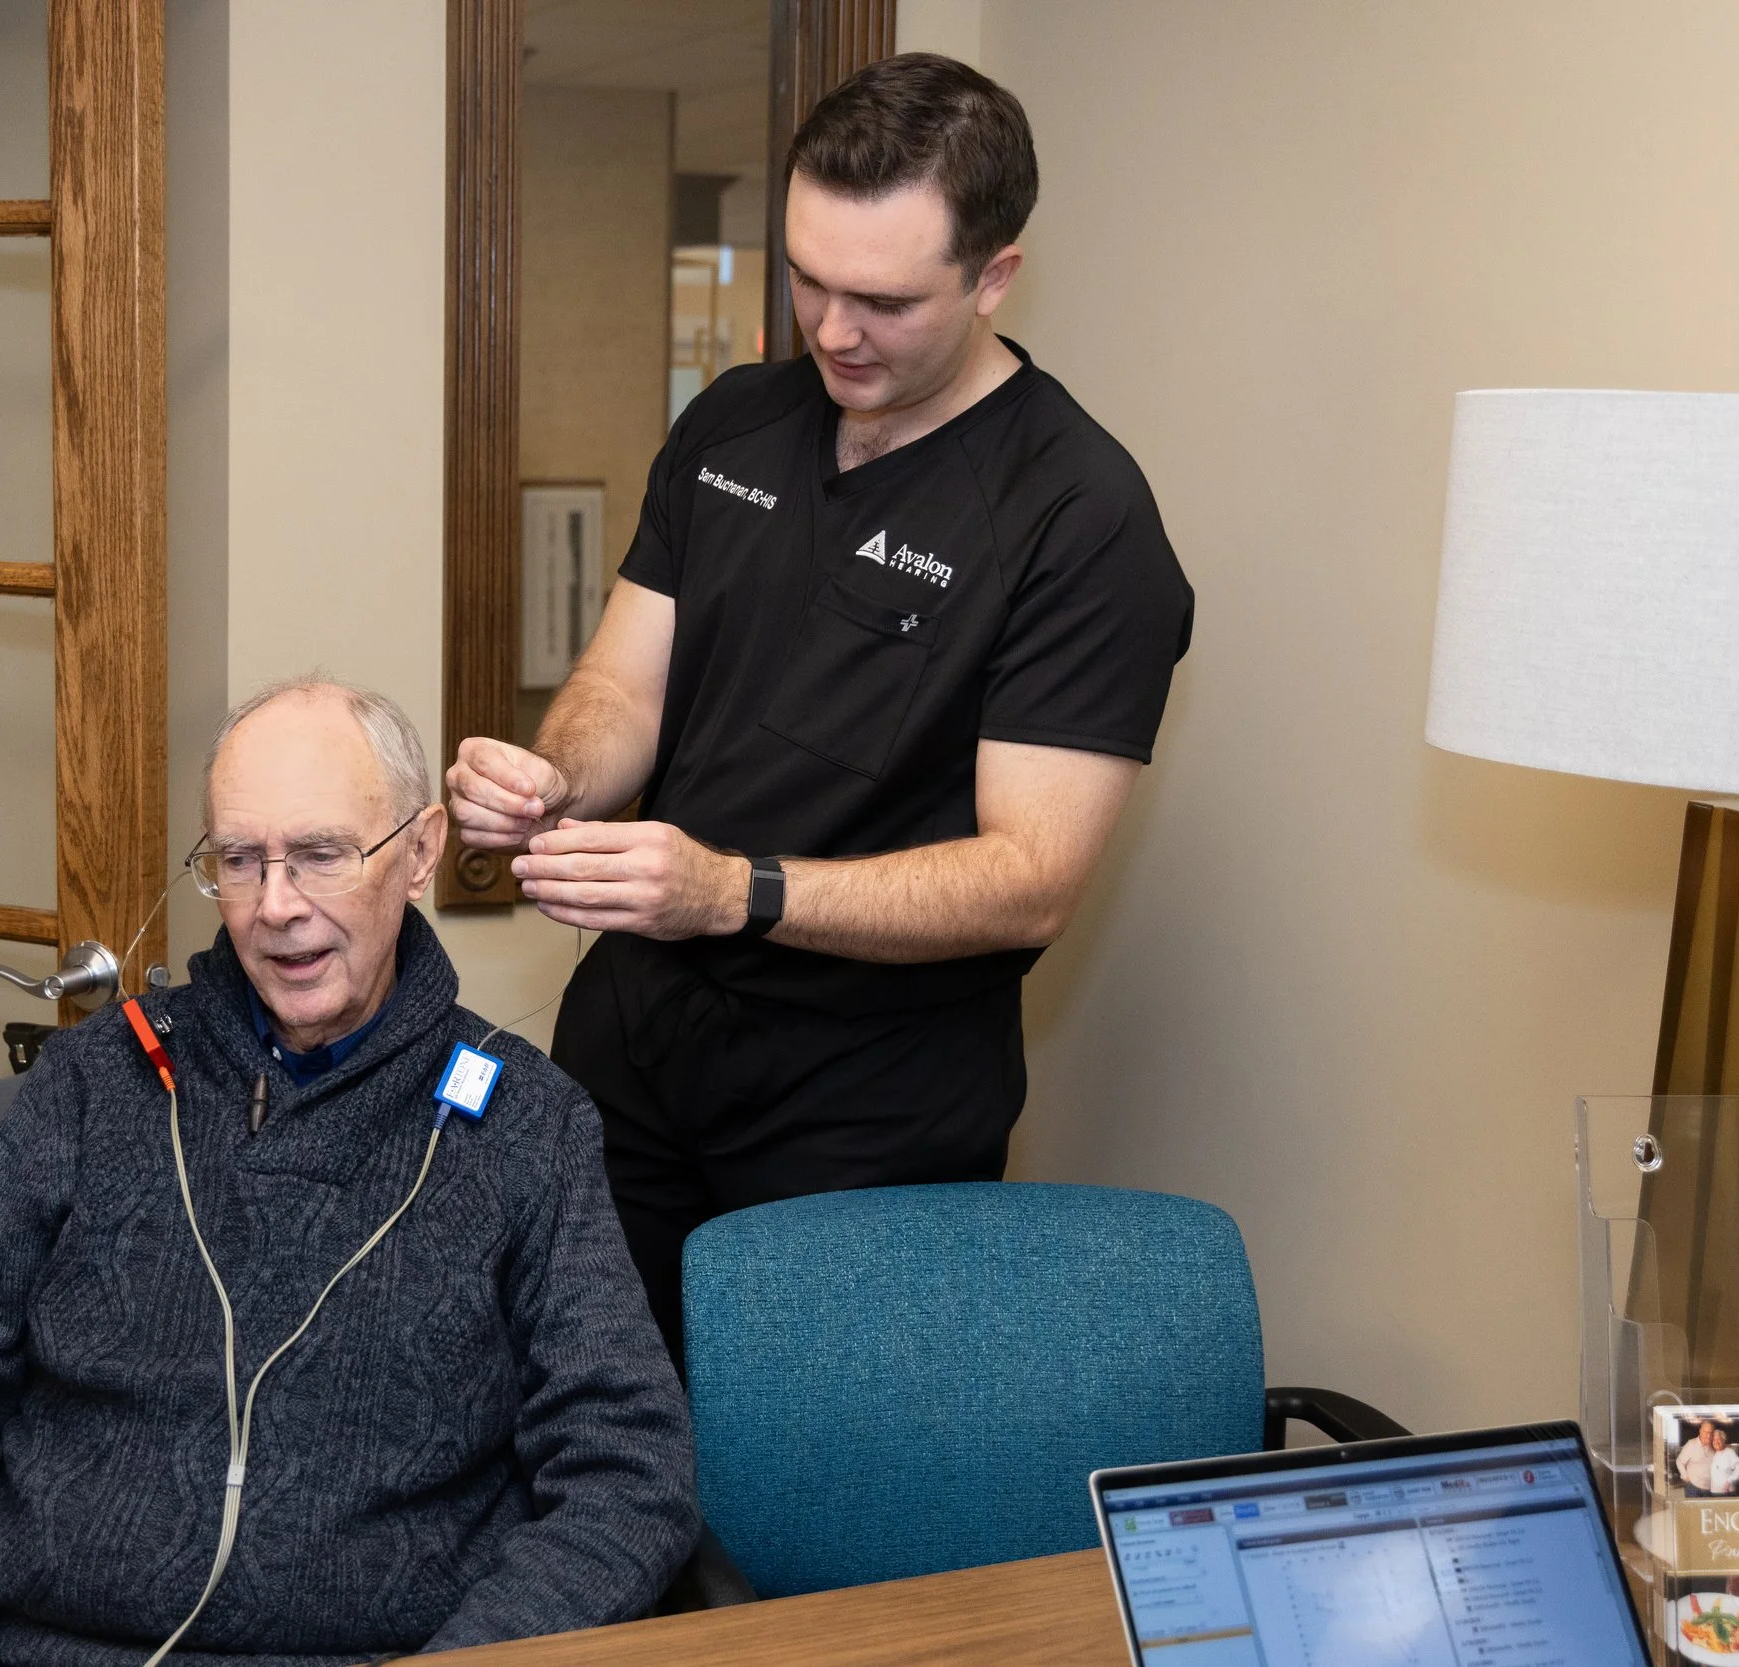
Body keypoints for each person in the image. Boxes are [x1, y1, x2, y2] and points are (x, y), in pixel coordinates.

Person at [448, 54, 1195, 1360]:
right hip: (636, 1051)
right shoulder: (738, 417)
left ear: (995, 274)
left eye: (884, 299)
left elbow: (1031, 880)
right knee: (589, 1424)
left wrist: (734, 891)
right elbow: (626, 682)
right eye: (807, 278)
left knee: (801, 1492)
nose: (832, 331)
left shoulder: (1079, 518)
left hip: (861, 1114)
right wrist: (556, 774)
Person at [0, 678, 699, 1666]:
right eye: (240, 861)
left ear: (417, 852)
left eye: (321, 854)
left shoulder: (524, 1122)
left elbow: (628, 1481)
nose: (276, 906)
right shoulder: (94, 1084)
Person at [1713, 1423, 1739, 1497]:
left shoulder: (1729, 1452)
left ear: (1723, 1440)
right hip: (1713, 1493)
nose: (1716, 1442)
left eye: (1719, 1439)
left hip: (1726, 1493)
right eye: (1714, 1440)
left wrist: (1729, 1481)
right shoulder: (1713, 1454)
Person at [1682, 1421, 1721, 1493]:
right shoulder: (1691, 1444)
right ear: (1700, 1431)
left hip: (1709, 1487)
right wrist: (1685, 1477)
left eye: (1711, 1432)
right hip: (1693, 1487)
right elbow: (1680, 1461)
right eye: (1706, 1432)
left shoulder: (1714, 1445)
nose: (1708, 1435)